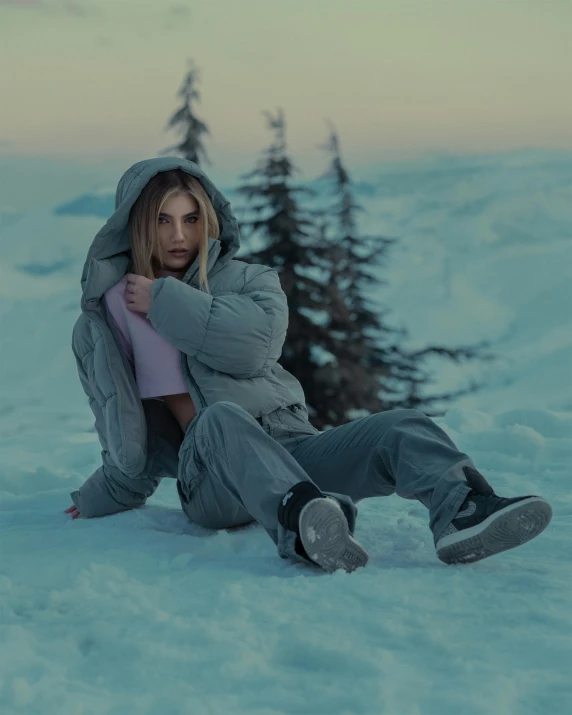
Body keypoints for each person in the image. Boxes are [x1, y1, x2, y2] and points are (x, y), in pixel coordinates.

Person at [65, 157, 553, 573]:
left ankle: (462, 512)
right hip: (211, 474)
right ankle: (302, 525)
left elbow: (253, 347)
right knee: (221, 418)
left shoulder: (250, 281)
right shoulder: (113, 314)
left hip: (293, 447)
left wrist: (165, 301)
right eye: (163, 220)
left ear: (208, 221)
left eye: (191, 219)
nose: (178, 235)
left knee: (401, 425)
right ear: (137, 224)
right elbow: (123, 425)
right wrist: (97, 496)